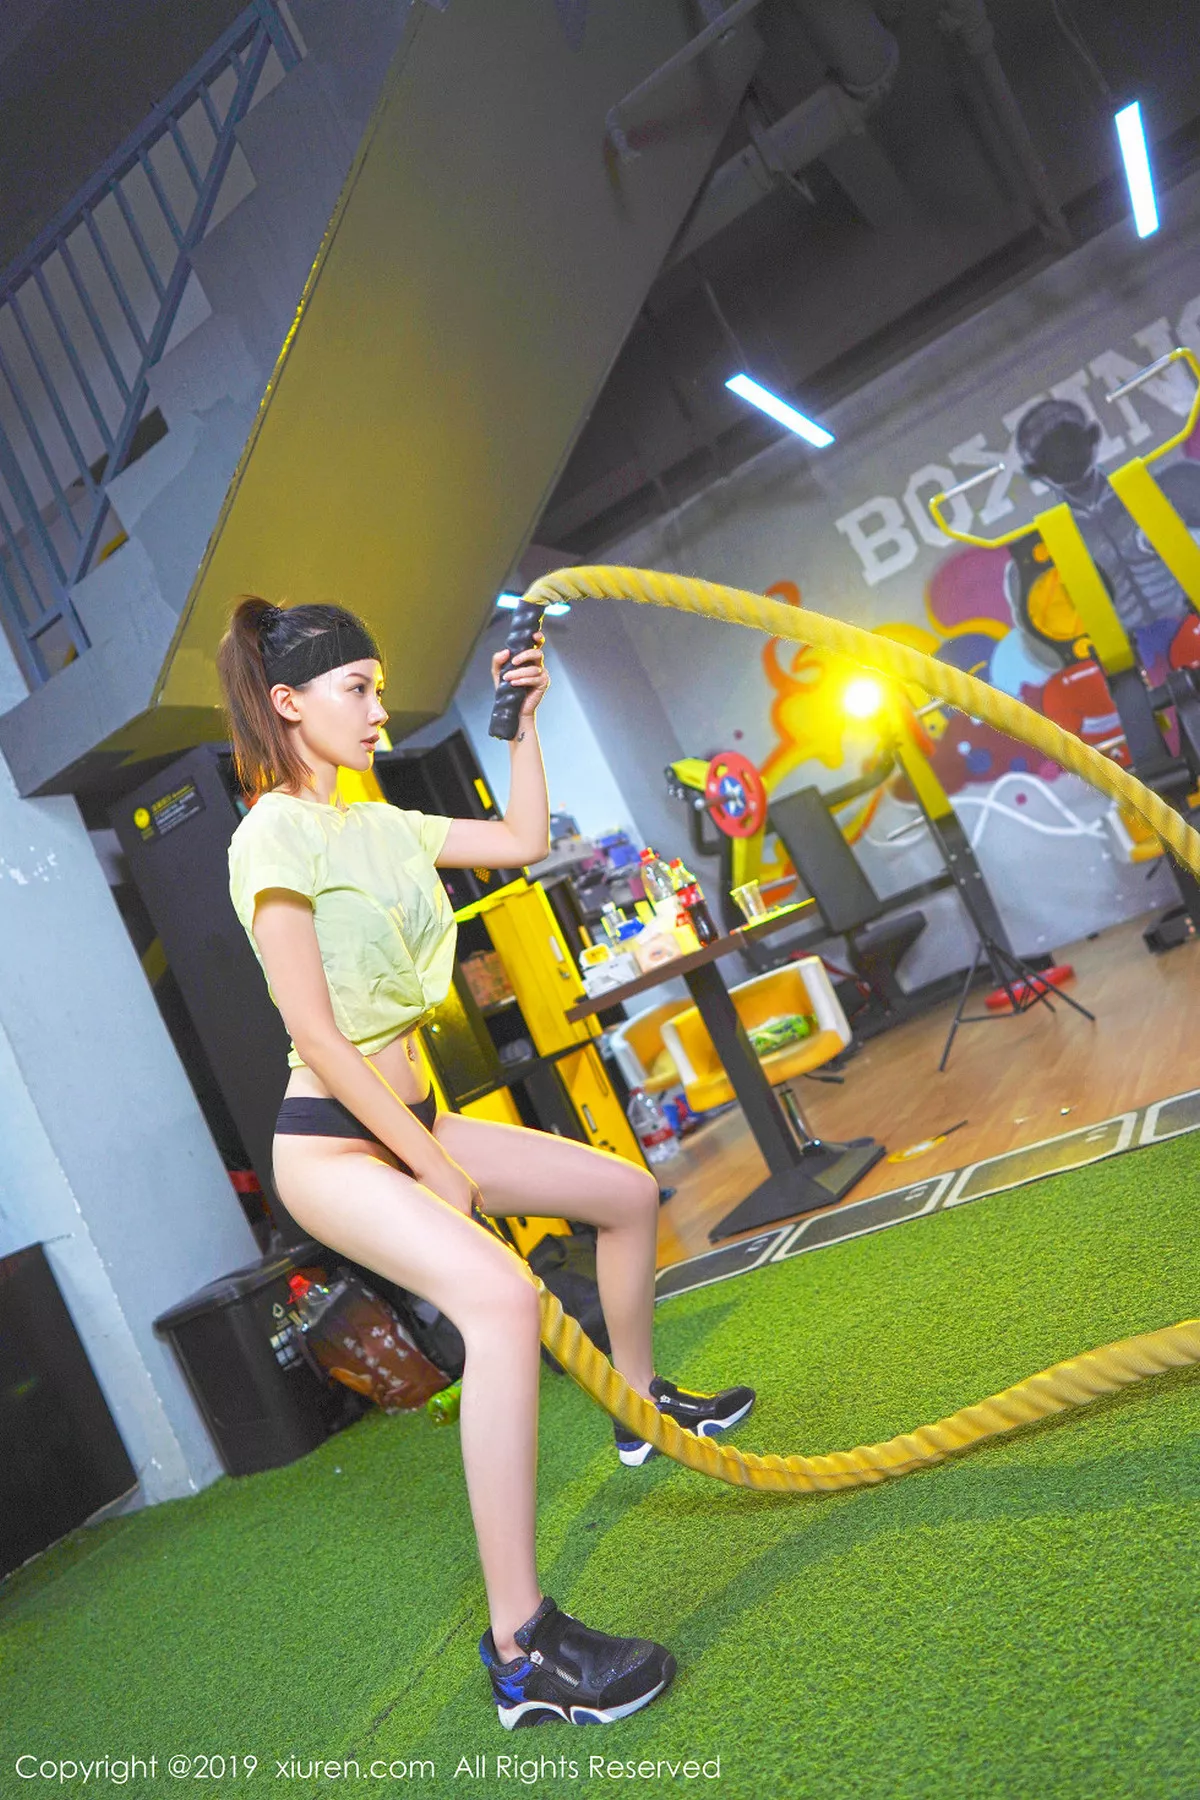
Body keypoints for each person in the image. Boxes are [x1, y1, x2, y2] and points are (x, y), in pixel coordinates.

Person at [216, 596, 756, 1729]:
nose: (378, 708)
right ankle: (522, 1650)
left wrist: (526, 721)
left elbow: (520, 839)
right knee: (504, 1302)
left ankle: (638, 1409)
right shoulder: (271, 834)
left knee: (625, 1192)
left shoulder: (382, 823)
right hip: (335, 1145)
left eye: (378, 686)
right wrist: (430, 1162)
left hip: (418, 1124)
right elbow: (316, 1033)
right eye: (356, 689)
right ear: (288, 702)